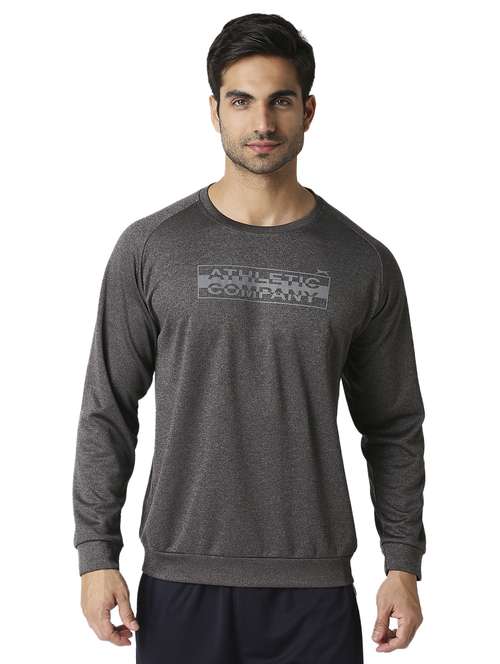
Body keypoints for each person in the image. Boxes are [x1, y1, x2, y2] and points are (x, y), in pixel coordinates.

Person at [72, 12, 426, 662]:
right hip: (181, 579)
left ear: (308, 110)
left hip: (315, 591)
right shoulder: (151, 248)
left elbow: (394, 425)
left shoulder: (363, 262)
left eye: (280, 101)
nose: (262, 122)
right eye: (241, 101)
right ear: (214, 111)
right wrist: (96, 553)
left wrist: (402, 562)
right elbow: (108, 409)